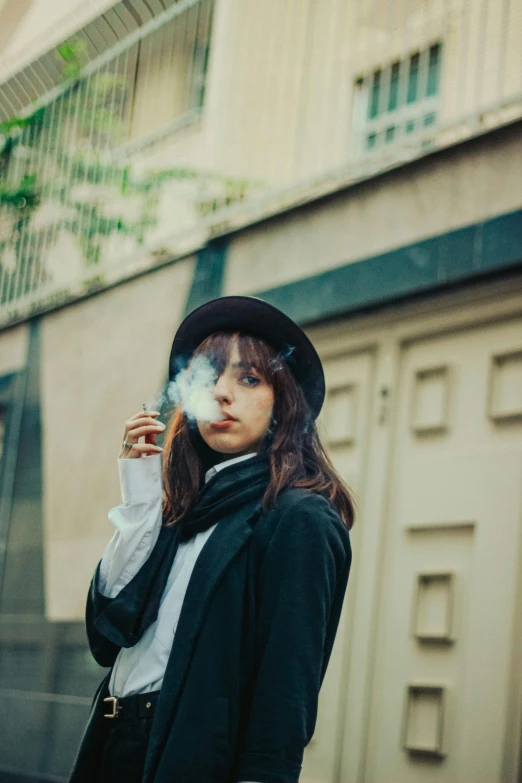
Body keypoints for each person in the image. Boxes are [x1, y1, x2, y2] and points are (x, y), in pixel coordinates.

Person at [69, 295, 355, 783]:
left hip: (189, 757)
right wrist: (142, 498)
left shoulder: (299, 519)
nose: (222, 393)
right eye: (209, 376)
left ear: (283, 402)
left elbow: (285, 693)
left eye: (248, 378)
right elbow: (107, 635)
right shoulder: (183, 507)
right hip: (111, 746)